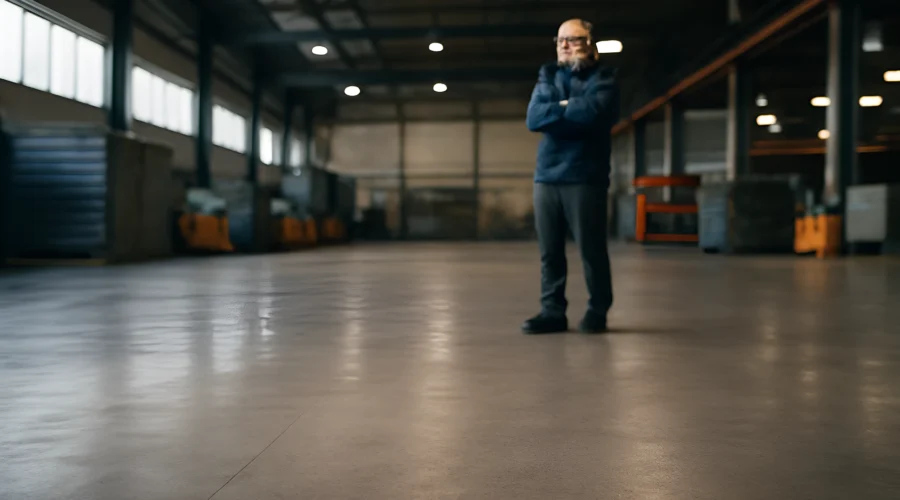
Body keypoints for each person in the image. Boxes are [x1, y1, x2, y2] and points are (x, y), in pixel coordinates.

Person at [522, 18, 619, 335]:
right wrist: (571, 109)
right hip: (547, 176)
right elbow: (535, 118)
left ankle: (597, 310)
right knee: (549, 251)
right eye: (560, 39)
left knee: (591, 250)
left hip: (585, 176)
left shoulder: (605, 77)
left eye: (573, 39)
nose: (564, 45)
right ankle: (552, 312)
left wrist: (559, 109)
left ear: (589, 44)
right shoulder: (547, 74)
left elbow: (595, 114)